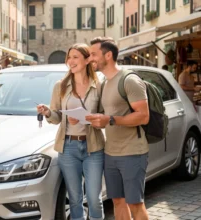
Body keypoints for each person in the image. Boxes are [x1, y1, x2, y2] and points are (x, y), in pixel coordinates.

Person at [37, 43, 105, 220]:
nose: (70, 61)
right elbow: (57, 116)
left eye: (75, 57)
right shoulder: (61, 85)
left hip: (93, 147)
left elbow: (105, 116)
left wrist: (89, 119)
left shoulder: (98, 85)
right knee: (75, 199)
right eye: (69, 57)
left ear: (87, 59)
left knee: (94, 198)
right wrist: (47, 112)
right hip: (68, 147)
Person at [86, 37, 150, 220]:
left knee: (135, 203)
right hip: (111, 153)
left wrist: (111, 120)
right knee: (117, 201)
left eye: (94, 54)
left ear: (108, 55)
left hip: (132, 152)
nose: (91, 59)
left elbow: (143, 116)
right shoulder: (105, 83)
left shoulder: (129, 80)